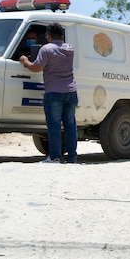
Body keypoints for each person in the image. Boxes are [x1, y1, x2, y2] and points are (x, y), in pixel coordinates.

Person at [19, 23, 78, 164]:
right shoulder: (70, 49)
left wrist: (25, 61)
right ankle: (72, 157)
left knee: (54, 125)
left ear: (48, 36)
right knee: (70, 126)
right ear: (62, 36)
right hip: (71, 91)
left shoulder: (46, 49)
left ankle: (54, 157)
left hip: (54, 92)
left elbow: (37, 68)